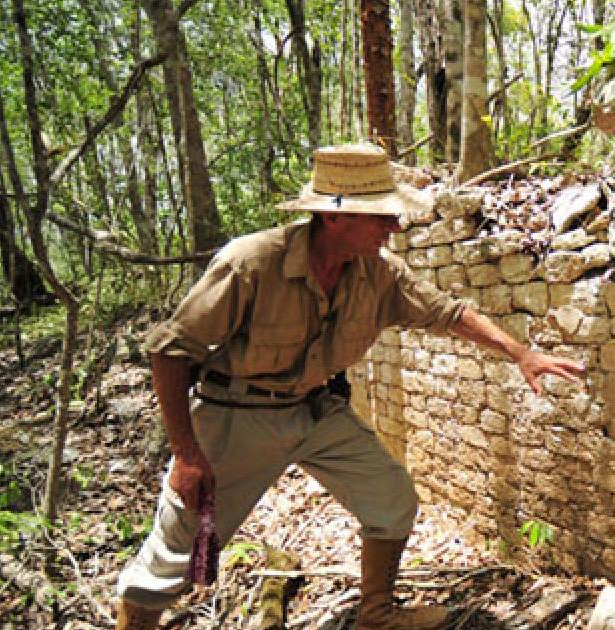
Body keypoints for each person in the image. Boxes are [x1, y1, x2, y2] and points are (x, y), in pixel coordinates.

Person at [113, 143, 585, 630]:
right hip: (234, 416)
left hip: (316, 411)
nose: (394, 227)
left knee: (391, 498)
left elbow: (449, 313)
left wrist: (520, 353)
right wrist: (187, 454)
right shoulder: (251, 263)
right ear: (335, 217)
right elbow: (170, 349)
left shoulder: (378, 275)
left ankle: (376, 615)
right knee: (174, 557)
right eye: (381, 217)